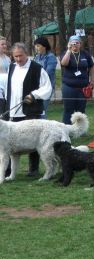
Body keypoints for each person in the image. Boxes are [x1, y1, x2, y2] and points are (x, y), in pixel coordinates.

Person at [4, 42, 52, 176]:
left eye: (21, 56)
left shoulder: (37, 68)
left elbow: (47, 87)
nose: (18, 59)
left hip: (31, 111)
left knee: (34, 140)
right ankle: (7, 171)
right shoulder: (11, 67)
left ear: (26, 53)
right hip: (14, 112)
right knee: (7, 143)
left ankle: (33, 169)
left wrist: (34, 95)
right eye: (15, 56)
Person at [60, 35, 94, 124]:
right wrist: (69, 50)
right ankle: (67, 129)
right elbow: (64, 63)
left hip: (83, 87)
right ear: (69, 43)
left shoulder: (85, 54)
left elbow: (92, 67)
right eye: (73, 43)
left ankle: (81, 130)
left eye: (77, 43)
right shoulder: (66, 53)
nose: (75, 45)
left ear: (80, 44)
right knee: (69, 109)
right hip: (69, 86)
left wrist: (92, 81)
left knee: (81, 109)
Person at [33, 36, 58, 118]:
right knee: (36, 110)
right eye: (35, 46)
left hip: (47, 87)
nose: (36, 48)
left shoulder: (51, 57)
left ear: (44, 46)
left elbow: (48, 73)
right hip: (37, 87)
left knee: (42, 110)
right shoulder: (37, 57)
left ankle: (44, 128)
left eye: (38, 46)